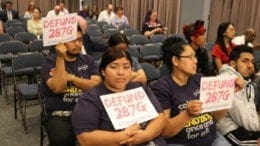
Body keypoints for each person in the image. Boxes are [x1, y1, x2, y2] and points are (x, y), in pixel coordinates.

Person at [71, 47, 167, 146]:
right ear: (103, 71)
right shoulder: (90, 98)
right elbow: (84, 138)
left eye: (126, 67)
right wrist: (124, 136)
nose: (121, 72)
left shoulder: (141, 88)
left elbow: (160, 117)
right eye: (114, 67)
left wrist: (146, 135)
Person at [151, 36, 231, 146]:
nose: (195, 61)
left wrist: (225, 97)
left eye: (195, 57)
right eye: (190, 57)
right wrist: (187, 114)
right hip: (181, 142)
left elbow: (216, 117)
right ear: (175, 61)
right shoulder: (161, 88)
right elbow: (164, 131)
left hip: (212, 138)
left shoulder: (200, 79)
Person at [40, 26, 101, 146]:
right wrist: (60, 57)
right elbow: (58, 88)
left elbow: (95, 86)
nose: (77, 44)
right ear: (61, 43)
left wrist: (71, 78)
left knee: (110, 130)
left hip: (88, 110)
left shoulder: (88, 60)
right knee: (61, 140)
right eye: (73, 40)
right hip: (61, 114)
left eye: (80, 40)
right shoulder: (49, 62)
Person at [217, 45, 260, 146]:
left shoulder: (245, 81)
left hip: (244, 126)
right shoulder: (229, 81)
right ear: (233, 63)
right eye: (245, 61)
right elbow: (243, 119)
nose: (250, 65)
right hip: (231, 131)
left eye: (252, 61)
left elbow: (249, 114)